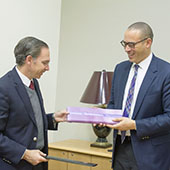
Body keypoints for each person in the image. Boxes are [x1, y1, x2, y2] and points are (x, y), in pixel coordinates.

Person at [107, 22, 170, 170]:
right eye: (124, 44)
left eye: (131, 44)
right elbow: (113, 104)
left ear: (148, 42)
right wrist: (102, 118)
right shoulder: (120, 69)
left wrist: (135, 125)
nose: (127, 49)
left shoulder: (166, 72)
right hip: (120, 150)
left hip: (151, 155)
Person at [0, 36, 68, 170]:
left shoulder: (34, 82)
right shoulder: (4, 87)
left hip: (38, 164)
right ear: (29, 60)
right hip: (15, 165)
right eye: (45, 63)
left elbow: (26, 121)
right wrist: (24, 154)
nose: (48, 68)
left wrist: (53, 118)